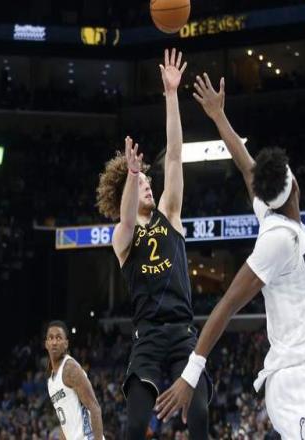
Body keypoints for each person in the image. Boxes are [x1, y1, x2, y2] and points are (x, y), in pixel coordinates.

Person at [155, 73, 305, 440]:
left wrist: (218, 115)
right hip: (291, 383)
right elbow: (227, 304)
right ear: (295, 186)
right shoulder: (278, 239)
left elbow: (245, 164)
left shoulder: (276, 214)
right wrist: (190, 374)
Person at [96, 49, 210, 440]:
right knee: (134, 424)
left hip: (183, 332)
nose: (147, 184)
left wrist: (171, 94)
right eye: (141, 182)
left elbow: (174, 156)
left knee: (199, 414)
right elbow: (128, 218)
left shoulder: (170, 214)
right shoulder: (122, 236)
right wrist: (131, 174)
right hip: (147, 335)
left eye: (147, 180)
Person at [46, 320, 104, 440]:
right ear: (46, 344)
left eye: (58, 338)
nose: (54, 342)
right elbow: (65, 424)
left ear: (66, 344)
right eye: (51, 338)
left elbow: (95, 408)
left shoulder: (70, 368)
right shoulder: (51, 381)